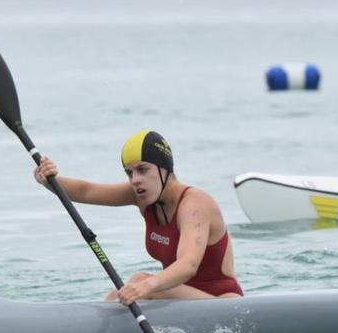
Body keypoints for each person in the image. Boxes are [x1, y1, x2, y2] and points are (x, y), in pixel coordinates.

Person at [33, 130, 243, 304]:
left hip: (224, 303)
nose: (135, 180)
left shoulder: (194, 203)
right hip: (180, 300)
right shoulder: (143, 197)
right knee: (118, 294)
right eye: (129, 173)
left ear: (165, 169)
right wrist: (50, 180)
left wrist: (145, 285)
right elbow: (87, 191)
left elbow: (188, 264)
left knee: (139, 280)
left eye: (143, 170)